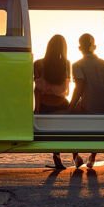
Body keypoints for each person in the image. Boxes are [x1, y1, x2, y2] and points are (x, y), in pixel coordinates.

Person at [68, 33, 104, 169]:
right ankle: (92, 157)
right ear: (94, 46)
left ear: (79, 48)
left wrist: (69, 108)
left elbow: (79, 87)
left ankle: (75, 156)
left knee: (69, 116)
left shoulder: (78, 65)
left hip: (89, 108)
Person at [33, 34, 71, 170]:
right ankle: (76, 155)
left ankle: (56, 156)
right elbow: (67, 89)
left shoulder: (38, 64)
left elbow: (37, 90)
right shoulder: (66, 64)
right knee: (70, 129)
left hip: (45, 105)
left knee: (52, 133)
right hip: (62, 103)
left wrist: (37, 110)